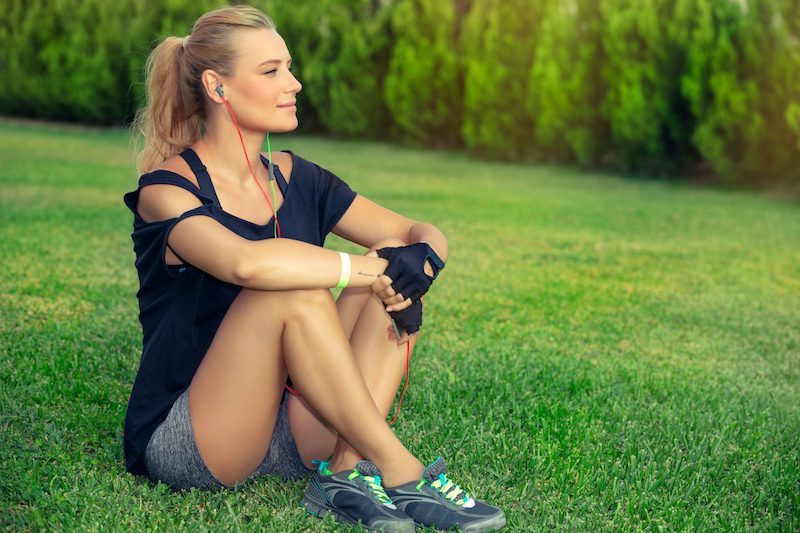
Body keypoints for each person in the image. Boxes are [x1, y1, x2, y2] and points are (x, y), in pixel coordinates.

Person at [123, 5, 505, 532]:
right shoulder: (167, 190)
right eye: (271, 71)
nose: (294, 83)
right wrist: (371, 271)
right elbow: (246, 263)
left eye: (289, 67)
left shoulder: (298, 176)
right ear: (218, 87)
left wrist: (423, 261)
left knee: (392, 247)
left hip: (299, 429)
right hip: (200, 435)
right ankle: (401, 470)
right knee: (293, 290)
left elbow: (419, 231)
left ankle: (346, 473)